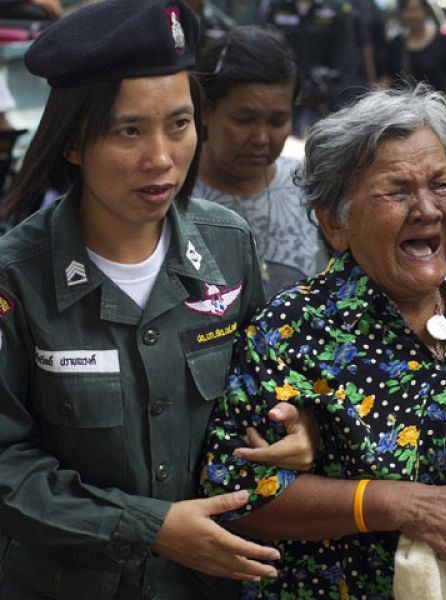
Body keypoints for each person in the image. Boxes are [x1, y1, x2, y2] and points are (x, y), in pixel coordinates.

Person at [199, 84, 446, 600]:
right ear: (335, 222)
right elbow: (235, 491)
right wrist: (394, 503)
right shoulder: (292, 331)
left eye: (441, 185)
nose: (427, 209)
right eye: (397, 191)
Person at [0, 1, 316, 597]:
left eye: (179, 124)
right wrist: (148, 528)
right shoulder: (16, 278)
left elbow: (267, 389)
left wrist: (301, 428)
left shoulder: (228, 247)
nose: (162, 158)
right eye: (129, 130)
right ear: (73, 142)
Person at [194, 25, 326, 299]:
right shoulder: (172, 195)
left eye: (277, 121)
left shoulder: (312, 189)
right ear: (205, 110)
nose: (261, 138)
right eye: (244, 120)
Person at [261, 0, 361, 137]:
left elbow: (346, 58)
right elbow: (267, 52)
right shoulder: (277, 7)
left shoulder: (336, 8)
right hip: (285, 92)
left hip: (325, 96)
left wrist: (339, 98)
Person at [382, 0, 446, 95]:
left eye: (417, 10)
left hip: (434, 102)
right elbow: (388, 77)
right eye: (408, 10)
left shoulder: (441, 42)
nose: (413, 15)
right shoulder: (396, 43)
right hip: (402, 103)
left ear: (426, 11)